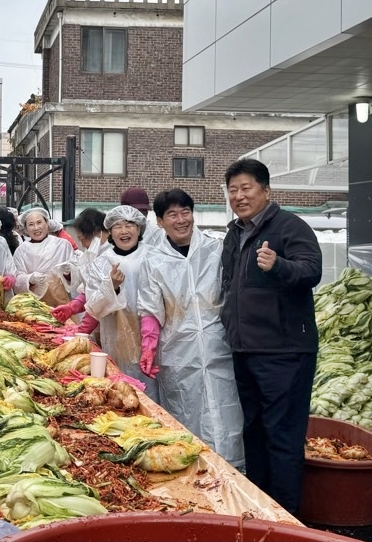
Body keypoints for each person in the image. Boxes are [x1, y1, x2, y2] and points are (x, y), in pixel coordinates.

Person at [220, 158, 321, 513]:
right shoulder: (235, 232)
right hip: (246, 349)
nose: (239, 196)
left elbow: (311, 270)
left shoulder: (289, 226)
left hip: (284, 351)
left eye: (246, 188)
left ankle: (286, 519)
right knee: (255, 433)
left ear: (265, 190)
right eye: (233, 190)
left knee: (282, 437)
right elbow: (230, 285)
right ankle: (260, 511)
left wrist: (278, 264)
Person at [137, 188, 244, 467]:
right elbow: (150, 308)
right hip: (178, 353)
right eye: (172, 214)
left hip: (220, 347)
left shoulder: (215, 248)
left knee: (228, 416)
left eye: (185, 212)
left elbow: (234, 293)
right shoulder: (153, 260)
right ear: (160, 221)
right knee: (187, 418)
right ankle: (198, 481)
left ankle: (237, 476)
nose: (181, 219)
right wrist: (148, 347)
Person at [85, 206, 160, 402]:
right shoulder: (101, 262)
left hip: (153, 343)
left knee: (152, 397)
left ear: (139, 229)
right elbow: (93, 308)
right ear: (110, 231)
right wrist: (112, 287)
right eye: (118, 226)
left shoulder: (155, 257)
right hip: (116, 341)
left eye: (129, 225)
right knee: (121, 395)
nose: (124, 231)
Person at [51, 208, 109, 334]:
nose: (83, 245)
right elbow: (91, 290)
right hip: (102, 325)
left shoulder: (110, 257)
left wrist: (83, 329)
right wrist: (73, 307)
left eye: (83, 239)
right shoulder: (96, 255)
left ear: (97, 232)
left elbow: (102, 298)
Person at [13, 207, 74, 307]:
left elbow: (76, 280)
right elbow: (16, 279)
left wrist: (69, 273)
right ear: (26, 228)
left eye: (39, 222)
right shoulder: (21, 251)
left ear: (47, 223)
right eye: (31, 224)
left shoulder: (62, 245)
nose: (36, 228)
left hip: (61, 304)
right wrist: (29, 279)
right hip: (34, 306)